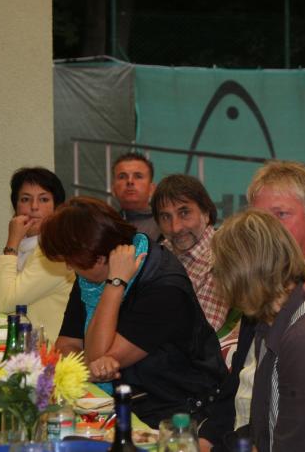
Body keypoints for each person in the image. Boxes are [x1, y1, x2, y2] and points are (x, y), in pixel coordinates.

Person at [41, 196, 227, 427]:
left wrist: (115, 283)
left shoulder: (164, 286)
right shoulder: (90, 278)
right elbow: (67, 345)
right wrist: (88, 365)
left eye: (71, 260)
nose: (70, 267)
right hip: (125, 403)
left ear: (99, 257)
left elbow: (98, 356)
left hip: (175, 412)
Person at [198, 161, 305, 452]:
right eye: (259, 219)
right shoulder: (263, 285)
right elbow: (238, 383)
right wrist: (207, 440)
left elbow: (303, 431)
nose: (268, 230)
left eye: (280, 215)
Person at [211, 209, 305, 452]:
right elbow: (263, 429)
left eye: (219, 270)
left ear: (241, 275)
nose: (215, 280)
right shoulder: (269, 322)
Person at [0, 167, 75, 343]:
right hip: (26, 344)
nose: (34, 207)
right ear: (16, 207)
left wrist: (11, 243)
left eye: (44, 199)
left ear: (57, 207)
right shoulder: (26, 245)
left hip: (51, 351)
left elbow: (4, 303)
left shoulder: (56, 252)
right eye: (25, 199)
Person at [152, 174, 229, 332]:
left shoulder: (222, 259)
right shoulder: (158, 252)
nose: (176, 228)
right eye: (166, 217)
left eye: (184, 213)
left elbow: (202, 334)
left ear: (206, 213)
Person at [111, 152, 161, 242]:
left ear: (151, 189)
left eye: (138, 176)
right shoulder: (105, 224)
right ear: (113, 189)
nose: (130, 181)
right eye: (122, 177)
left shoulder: (164, 223)